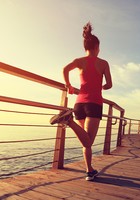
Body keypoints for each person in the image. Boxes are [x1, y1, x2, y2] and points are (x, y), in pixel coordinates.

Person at [50, 22, 112, 181]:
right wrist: (103, 86)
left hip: (79, 103)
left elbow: (64, 69)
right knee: (89, 140)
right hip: (94, 103)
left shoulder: (79, 61)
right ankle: (68, 120)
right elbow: (110, 84)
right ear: (97, 47)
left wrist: (68, 85)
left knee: (85, 139)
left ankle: (89, 170)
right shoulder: (103, 63)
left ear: (85, 47)